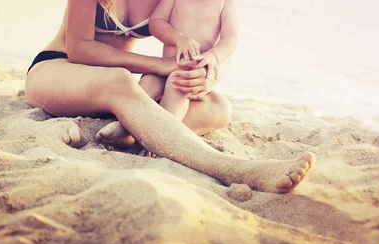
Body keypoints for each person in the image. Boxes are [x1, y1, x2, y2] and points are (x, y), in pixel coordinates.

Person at [25, 0, 315, 193]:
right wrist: (160, 65)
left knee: (218, 107)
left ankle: (132, 134)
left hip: (109, 91)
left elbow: (214, 38)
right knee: (120, 80)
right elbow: (80, 49)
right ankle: (235, 169)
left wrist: (205, 75)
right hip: (60, 68)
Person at [94, 0, 237, 150]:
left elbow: (230, 39)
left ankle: (159, 139)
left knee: (177, 90)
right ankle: (126, 124)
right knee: (148, 82)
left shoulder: (225, 3)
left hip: (190, 73)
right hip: (165, 67)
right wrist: (178, 37)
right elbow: (156, 23)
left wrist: (213, 56)